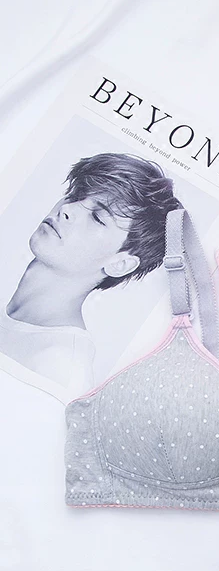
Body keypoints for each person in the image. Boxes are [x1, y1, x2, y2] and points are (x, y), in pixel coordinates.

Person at [0, 152, 182, 397]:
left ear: (121, 264)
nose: (67, 208)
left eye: (97, 217)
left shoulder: (60, 368)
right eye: (76, 195)